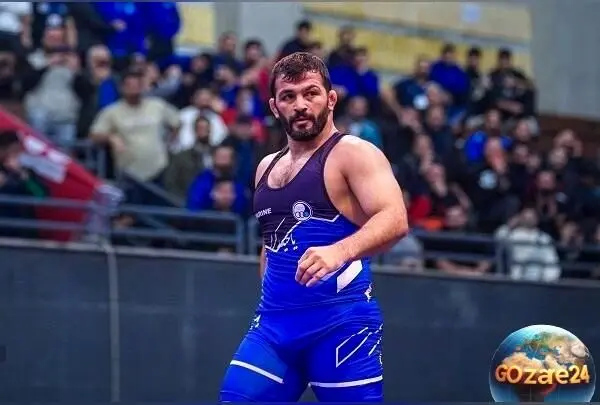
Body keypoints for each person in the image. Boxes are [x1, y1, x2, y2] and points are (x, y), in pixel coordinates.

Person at [220, 52, 408, 402]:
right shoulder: (266, 167)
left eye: (311, 93)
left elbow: (395, 219)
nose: (300, 105)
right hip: (274, 326)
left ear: (331, 99)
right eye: (289, 97)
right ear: (275, 107)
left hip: (341, 324)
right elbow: (271, 242)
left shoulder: (353, 153)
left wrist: (340, 251)